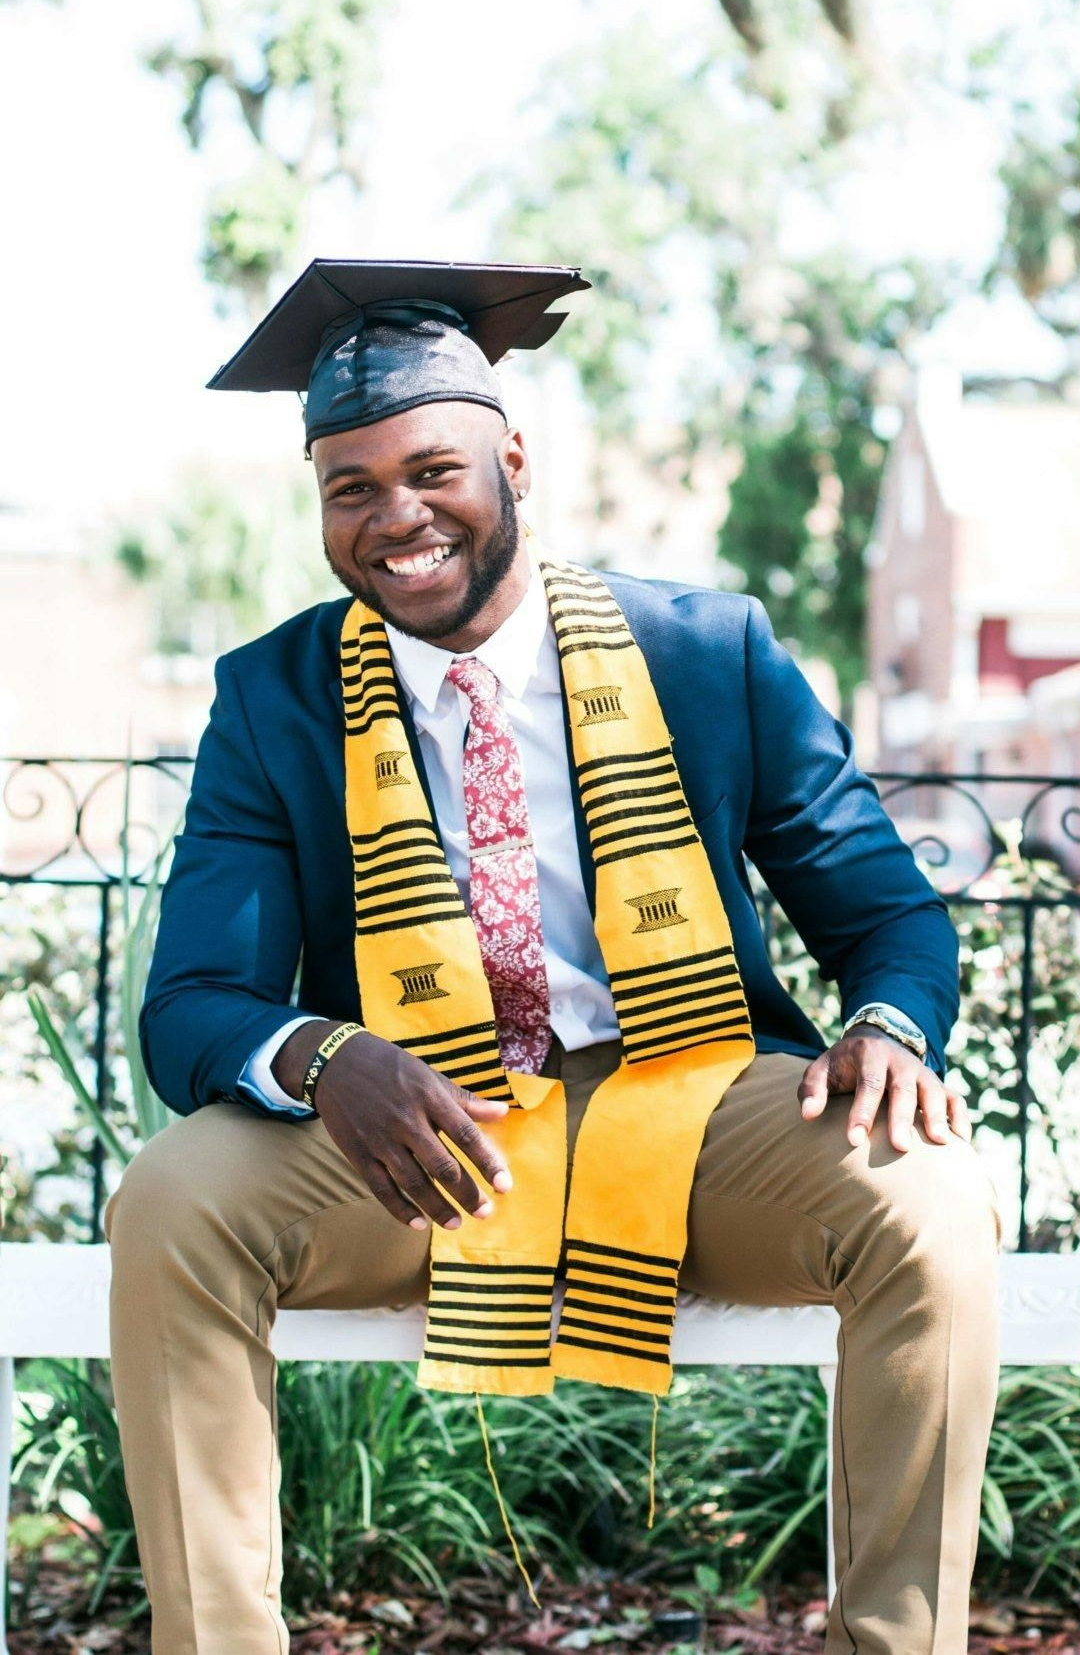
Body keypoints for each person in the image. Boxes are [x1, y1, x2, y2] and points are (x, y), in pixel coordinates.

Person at [105, 259, 1003, 1655]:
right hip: (422, 1130)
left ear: (513, 457)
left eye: (432, 469)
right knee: (174, 1201)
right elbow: (192, 1007)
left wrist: (886, 1023)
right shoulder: (271, 698)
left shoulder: (710, 653)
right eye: (352, 487)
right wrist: (324, 1053)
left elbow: (887, 915)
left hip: (695, 1099)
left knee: (929, 1201)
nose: (397, 516)